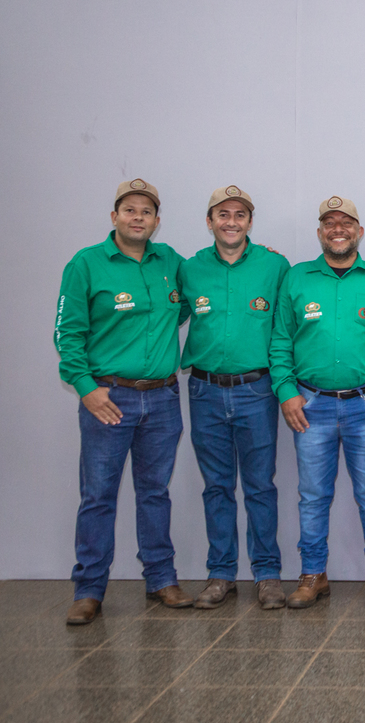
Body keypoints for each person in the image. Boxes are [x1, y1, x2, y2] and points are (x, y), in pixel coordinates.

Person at [55, 179, 193, 624]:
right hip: (108, 399)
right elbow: (67, 333)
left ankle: (161, 579)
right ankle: (89, 589)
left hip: (162, 398)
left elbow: (196, 296)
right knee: (98, 496)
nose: (138, 217)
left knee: (155, 493)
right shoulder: (86, 264)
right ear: (114, 216)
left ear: (156, 220)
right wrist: (86, 387)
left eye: (146, 211)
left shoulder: (170, 261)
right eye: (130, 210)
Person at [269, 196, 365, 610]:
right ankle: (313, 575)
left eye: (346, 223)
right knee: (312, 496)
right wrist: (286, 392)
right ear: (319, 232)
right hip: (311, 406)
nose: (338, 229)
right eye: (330, 223)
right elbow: (280, 340)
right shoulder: (296, 278)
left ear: (359, 232)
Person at [180, 186, 291, 610]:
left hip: (256, 391)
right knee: (217, 487)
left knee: (260, 485)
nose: (231, 221)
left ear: (250, 222)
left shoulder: (274, 265)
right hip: (205, 390)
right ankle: (221, 574)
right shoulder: (189, 269)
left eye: (240, 215)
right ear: (210, 221)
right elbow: (163, 314)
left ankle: (267, 574)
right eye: (223, 214)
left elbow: (288, 325)